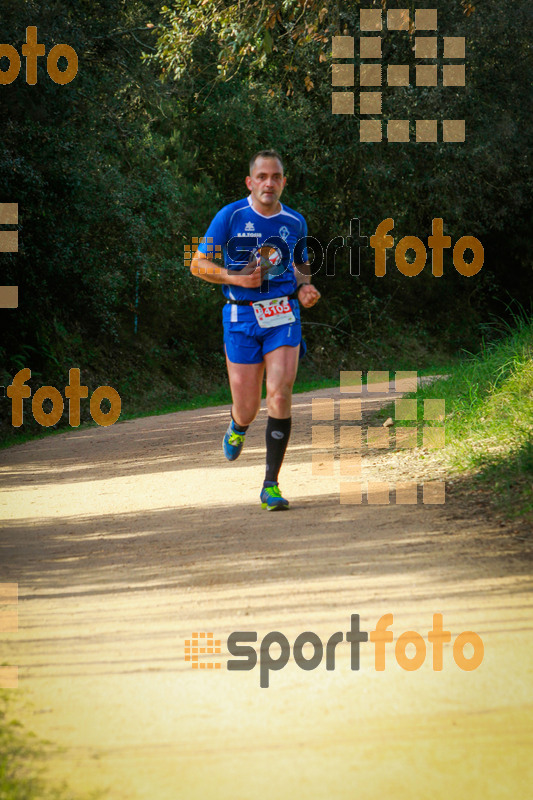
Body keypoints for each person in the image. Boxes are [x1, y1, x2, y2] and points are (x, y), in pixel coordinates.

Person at [190, 150, 320, 510]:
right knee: (247, 407)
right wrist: (236, 279)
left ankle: (271, 485)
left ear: (283, 182)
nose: (269, 183)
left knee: (279, 393)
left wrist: (305, 288)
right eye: (262, 176)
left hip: (283, 315)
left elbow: (301, 265)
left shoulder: (295, 222)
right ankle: (238, 425)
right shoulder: (231, 216)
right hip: (240, 317)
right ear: (250, 182)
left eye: (275, 177)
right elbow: (197, 264)